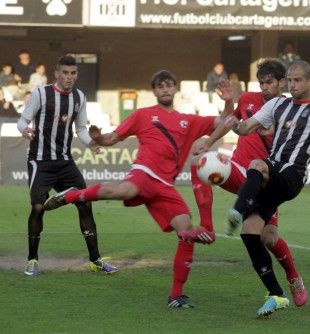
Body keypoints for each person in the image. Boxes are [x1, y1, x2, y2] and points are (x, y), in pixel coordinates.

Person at [44, 69, 232, 308]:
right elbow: (111, 138)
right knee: (126, 191)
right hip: (144, 172)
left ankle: (176, 296)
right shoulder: (142, 115)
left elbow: (225, 121)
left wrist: (228, 101)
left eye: (169, 85)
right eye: (160, 86)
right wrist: (98, 138)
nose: (165, 89)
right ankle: (70, 196)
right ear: (154, 91)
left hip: (166, 187)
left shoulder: (189, 121)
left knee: (187, 233)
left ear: (175, 89)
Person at [220, 60, 310, 316]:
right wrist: (233, 120)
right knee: (251, 233)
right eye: (290, 80)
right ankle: (277, 294)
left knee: (257, 164)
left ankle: (236, 210)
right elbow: (244, 129)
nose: (293, 85)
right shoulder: (277, 104)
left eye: (298, 80)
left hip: (292, 175)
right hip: (272, 174)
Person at [191, 58, 308, 308]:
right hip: (239, 169)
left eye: (270, 83)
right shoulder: (248, 100)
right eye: (261, 82)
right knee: (204, 163)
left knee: (267, 237)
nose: (265, 87)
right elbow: (230, 121)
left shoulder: (290, 109)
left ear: (281, 83)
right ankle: (207, 226)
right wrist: (210, 140)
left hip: (265, 179)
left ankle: (293, 277)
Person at [16, 55, 117, 277]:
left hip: (64, 161)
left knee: (85, 202)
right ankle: (32, 260)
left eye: (73, 73)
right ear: (56, 74)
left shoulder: (79, 97)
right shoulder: (41, 94)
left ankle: (95, 260)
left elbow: (81, 128)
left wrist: (92, 143)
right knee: (38, 207)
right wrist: (24, 129)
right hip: (40, 161)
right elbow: (23, 120)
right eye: (65, 73)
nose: (69, 77)